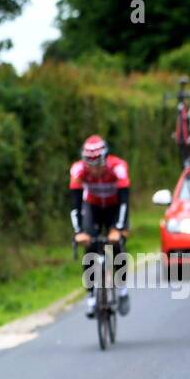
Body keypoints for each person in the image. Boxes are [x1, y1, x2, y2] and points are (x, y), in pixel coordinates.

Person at [70, 134, 131, 318]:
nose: (93, 170)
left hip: (114, 207)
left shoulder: (118, 167)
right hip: (93, 207)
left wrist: (118, 228)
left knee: (117, 244)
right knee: (90, 249)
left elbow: (124, 202)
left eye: (97, 165)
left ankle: (121, 290)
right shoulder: (78, 170)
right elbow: (75, 205)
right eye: (90, 165)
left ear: (105, 159)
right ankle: (91, 296)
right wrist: (79, 232)